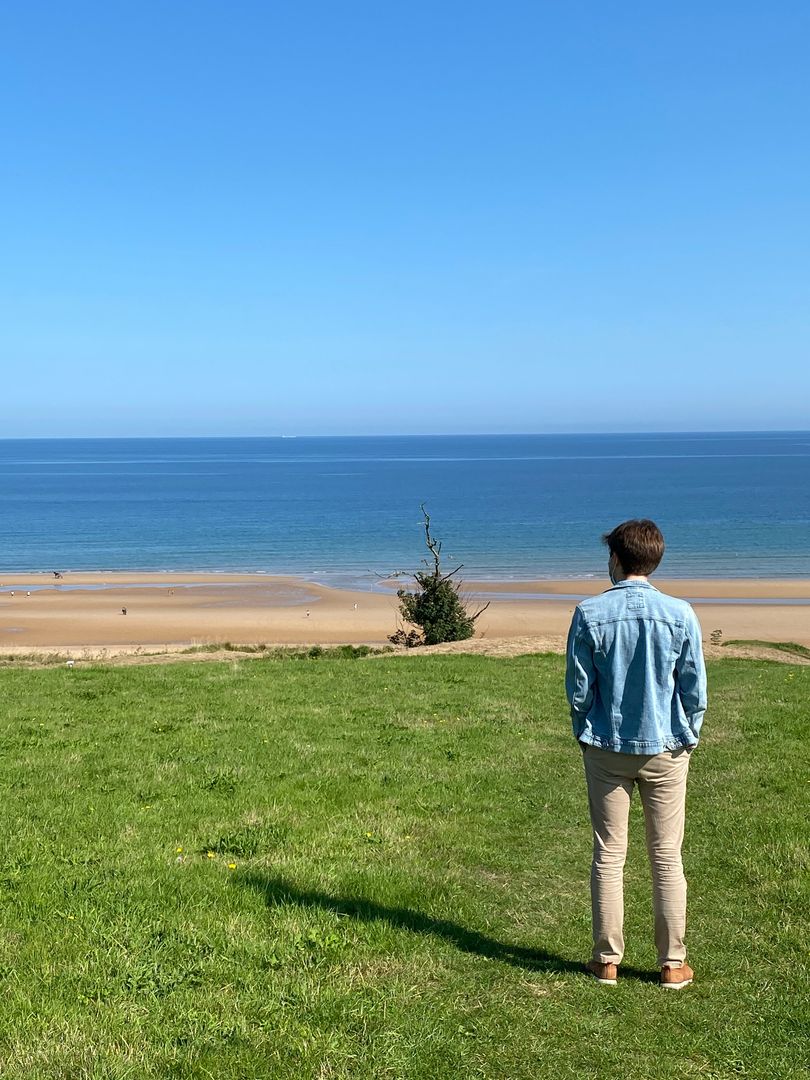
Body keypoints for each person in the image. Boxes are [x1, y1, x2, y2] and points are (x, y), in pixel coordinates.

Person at [565, 519, 707, 989]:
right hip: (666, 747)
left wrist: (584, 729)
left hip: (606, 746)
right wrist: (688, 734)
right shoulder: (681, 613)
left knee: (610, 854)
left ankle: (607, 960)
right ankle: (672, 964)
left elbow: (580, 690)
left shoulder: (588, 613)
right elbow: (694, 689)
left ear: (617, 560)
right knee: (666, 856)